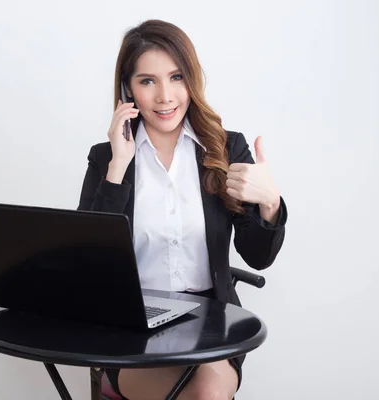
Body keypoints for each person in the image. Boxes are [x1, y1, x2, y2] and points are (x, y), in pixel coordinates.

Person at [77, 19, 287, 400]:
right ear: (128, 89)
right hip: (131, 323)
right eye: (147, 81)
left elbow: (258, 257)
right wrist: (118, 168)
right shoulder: (107, 157)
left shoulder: (224, 149)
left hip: (210, 320)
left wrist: (270, 203)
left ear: (191, 80)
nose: (165, 97)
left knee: (206, 392)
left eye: (176, 77)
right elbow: (88, 263)